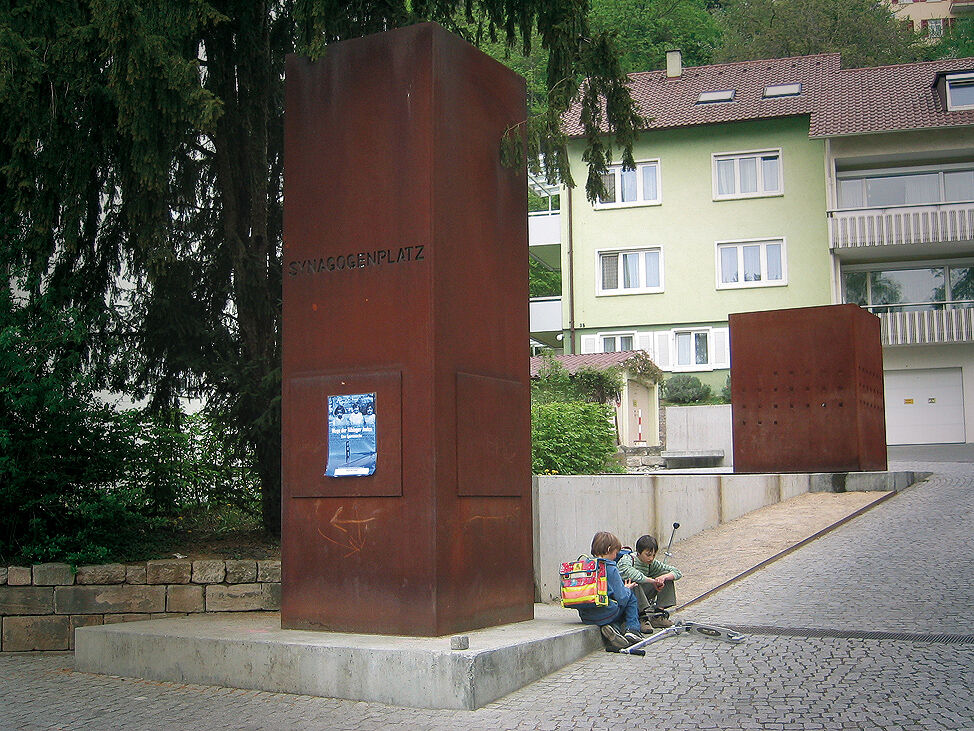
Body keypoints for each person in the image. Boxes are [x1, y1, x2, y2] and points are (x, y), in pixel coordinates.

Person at [575, 531, 645, 650]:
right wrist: (626, 589)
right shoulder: (610, 567)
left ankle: (614, 630)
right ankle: (633, 629)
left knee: (613, 606)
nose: (616, 556)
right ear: (609, 549)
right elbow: (622, 598)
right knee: (630, 598)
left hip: (586, 616)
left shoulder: (585, 565)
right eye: (616, 553)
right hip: (605, 613)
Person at [617, 534, 682, 632]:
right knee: (634, 582)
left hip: (643, 593)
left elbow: (677, 572)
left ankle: (658, 615)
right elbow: (632, 574)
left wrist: (663, 578)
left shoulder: (651, 563)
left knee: (666, 576)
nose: (651, 558)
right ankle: (641, 618)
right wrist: (652, 581)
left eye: (653, 555)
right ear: (638, 552)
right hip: (626, 596)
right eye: (648, 555)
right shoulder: (627, 559)